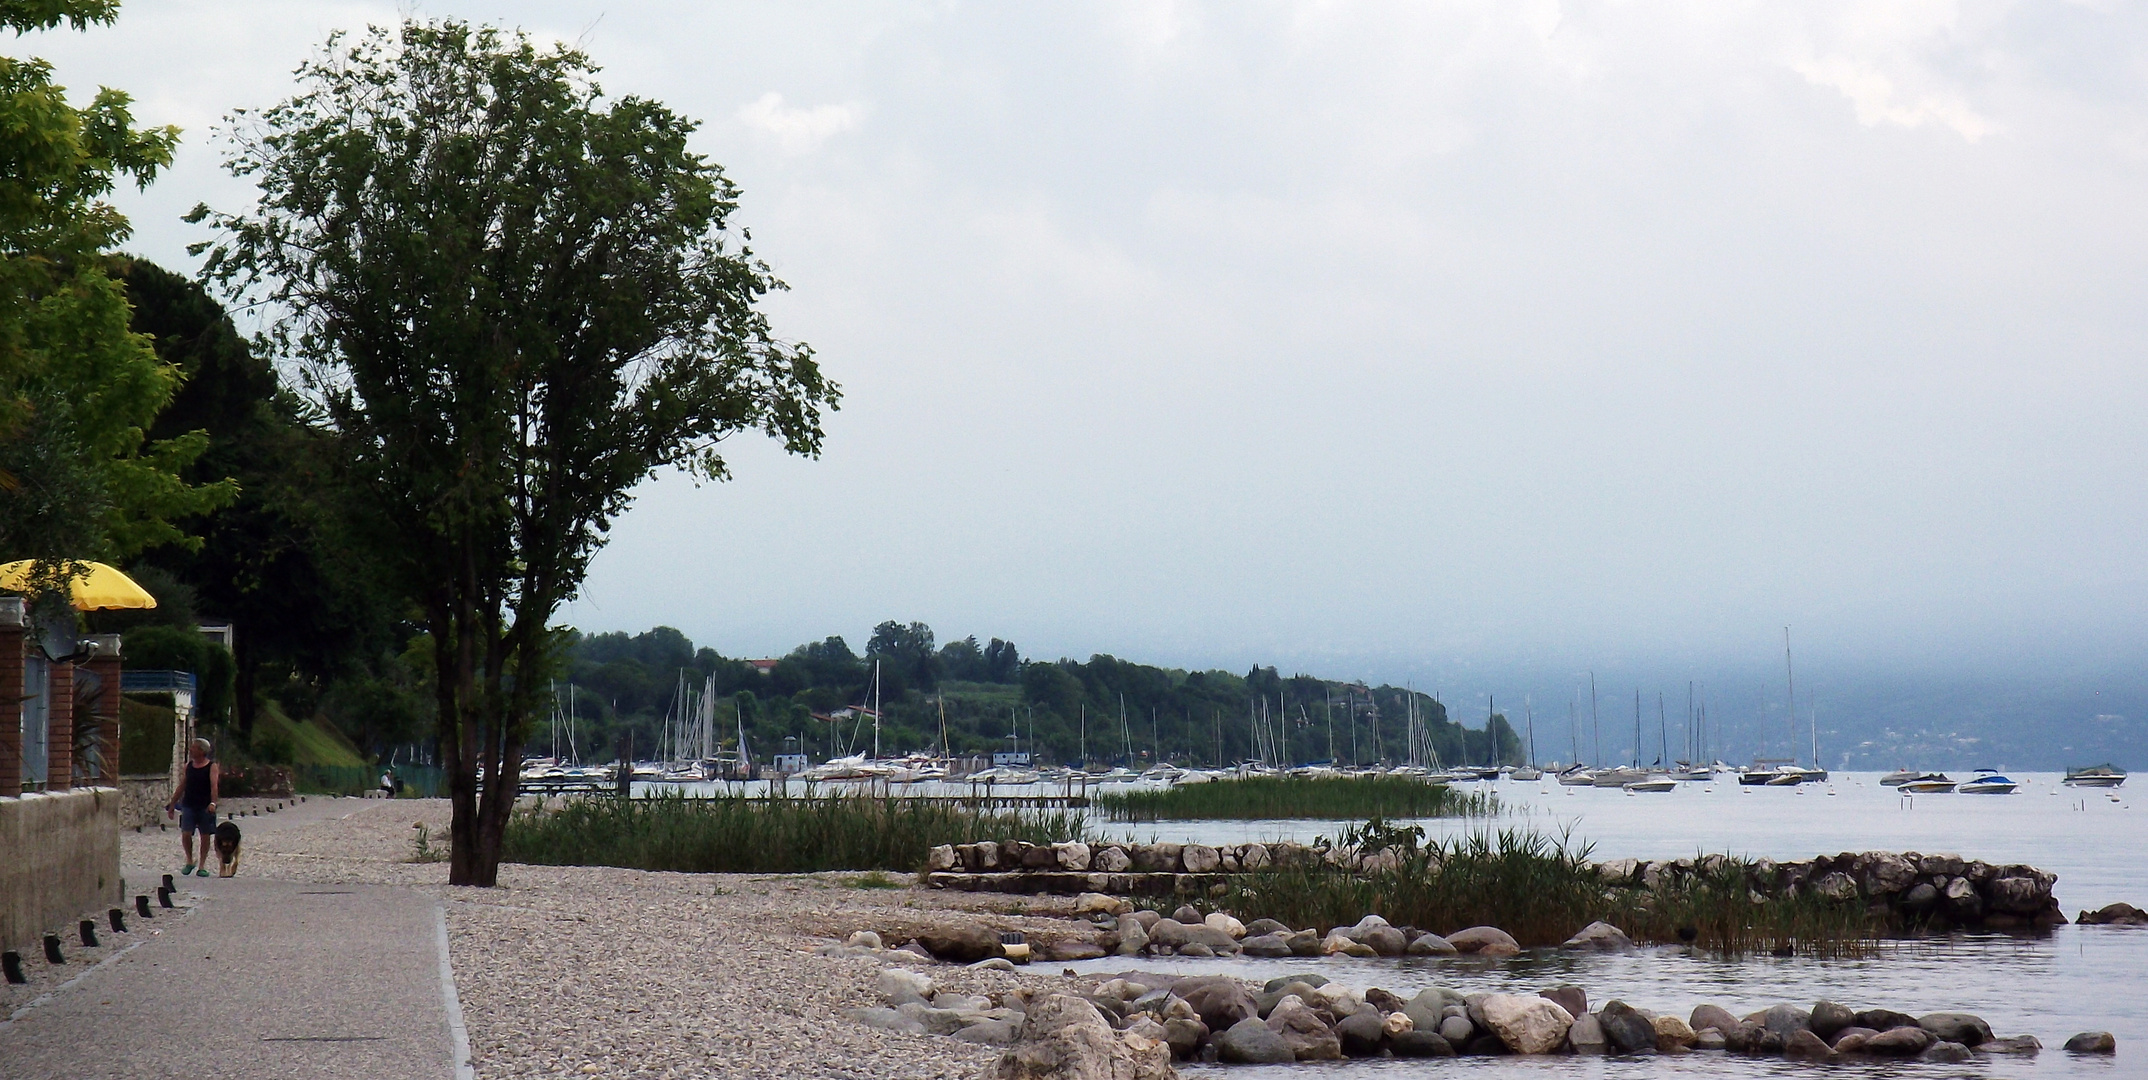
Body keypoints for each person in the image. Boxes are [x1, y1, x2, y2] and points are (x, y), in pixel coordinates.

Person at [165, 738, 219, 878]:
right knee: (186, 833)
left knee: (205, 835)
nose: (191, 750)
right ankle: (189, 860)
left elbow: (214, 786)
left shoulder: (211, 767)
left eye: (194, 748)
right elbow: (183, 785)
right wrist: (172, 804)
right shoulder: (188, 766)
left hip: (204, 806)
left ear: (202, 751)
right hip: (188, 804)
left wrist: (213, 803)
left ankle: (202, 865)